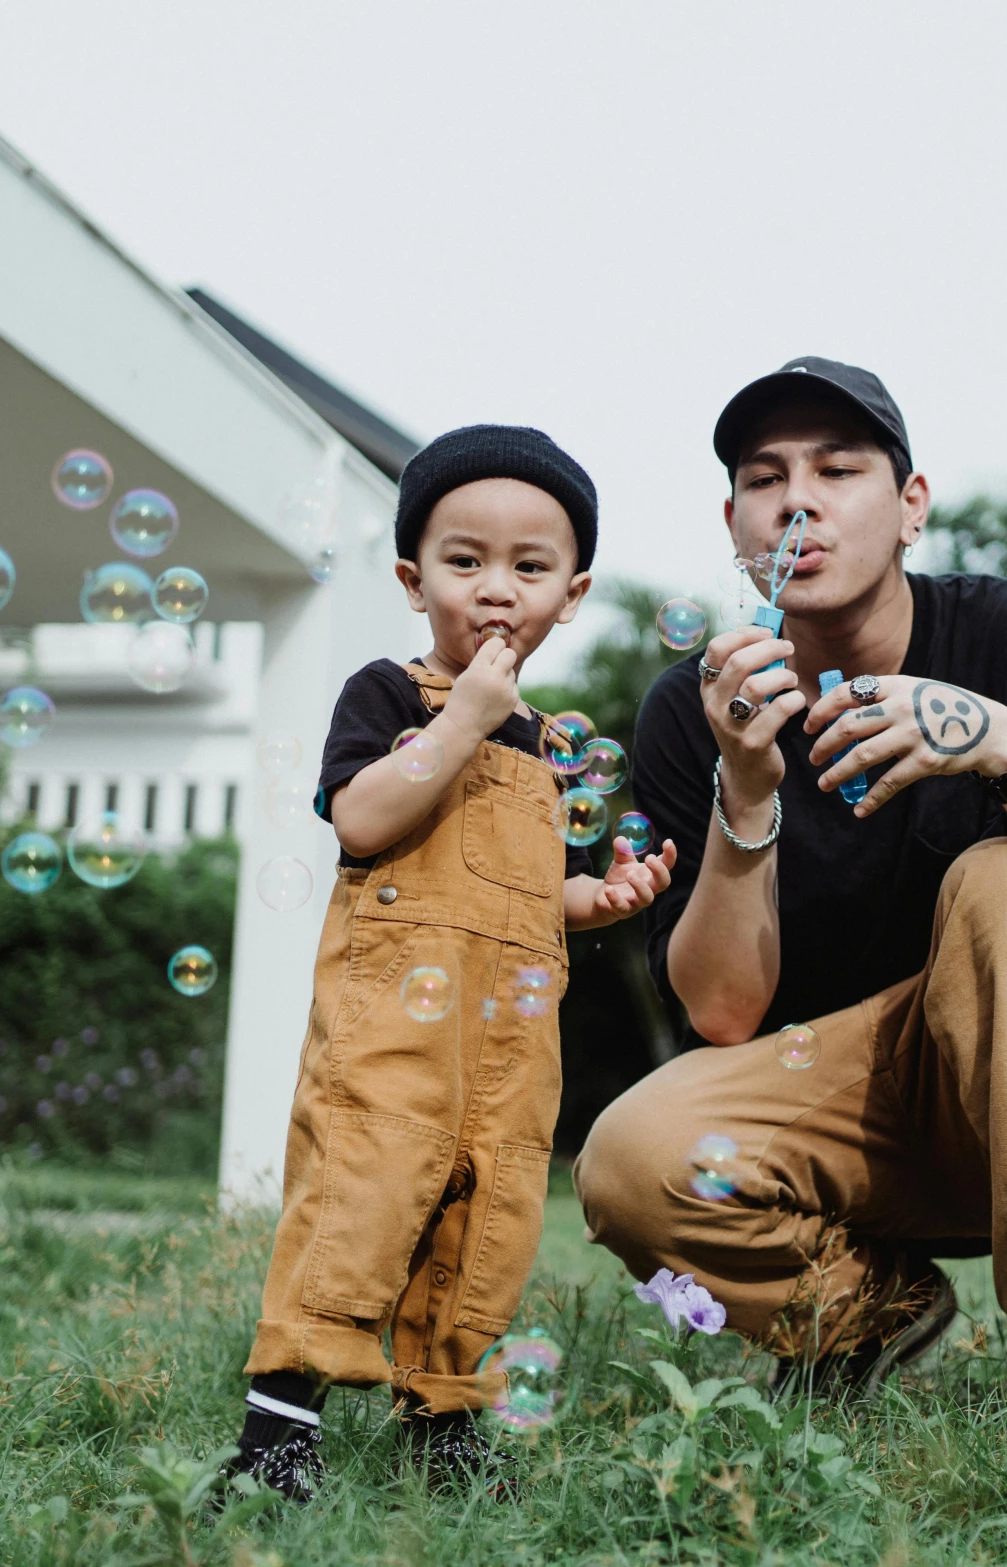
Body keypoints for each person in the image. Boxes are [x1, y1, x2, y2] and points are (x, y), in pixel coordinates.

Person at [574, 359, 1007, 1440]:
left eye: (838, 468)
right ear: (735, 524)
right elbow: (719, 1014)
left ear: (911, 508)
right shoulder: (697, 709)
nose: (797, 500)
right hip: (837, 1106)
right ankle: (863, 1313)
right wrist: (745, 792)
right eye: (765, 478)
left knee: (1003, 878)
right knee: (625, 1164)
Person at [231, 425, 676, 1499]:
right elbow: (362, 815)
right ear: (411, 577)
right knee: (360, 1202)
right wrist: (463, 716)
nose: (494, 589)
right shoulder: (390, 694)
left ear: (569, 595)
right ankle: (278, 1436)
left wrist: (599, 896)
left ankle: (447, 1427)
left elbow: (537, 886)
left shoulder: (545, 740)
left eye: (528, 567)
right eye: (463, 560)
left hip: (513, 1048)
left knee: (488, 1227)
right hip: (396, 1028)